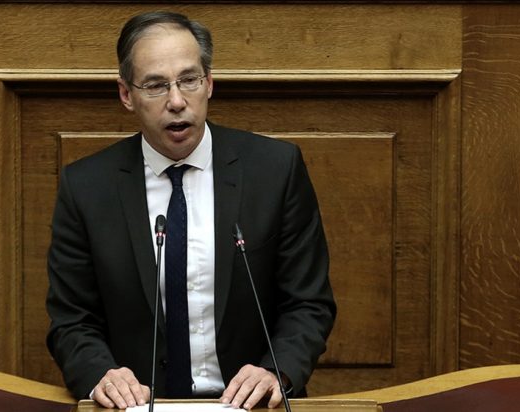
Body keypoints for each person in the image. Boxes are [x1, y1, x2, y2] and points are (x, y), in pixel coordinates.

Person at [46, 11, 336, 410]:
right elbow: (71, 320)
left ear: (209, 83)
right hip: (138, 407)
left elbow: (309, 303)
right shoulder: (86, 188)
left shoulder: (275, 170)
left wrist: (276, 371)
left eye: (189, 80)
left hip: (251, 406)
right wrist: (101, 374)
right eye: (155, 86)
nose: (177, 101)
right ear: (126, 95)